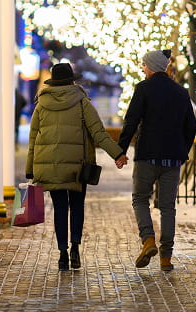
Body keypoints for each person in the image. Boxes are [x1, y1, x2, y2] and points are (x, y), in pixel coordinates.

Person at [25, 63, 128, 271]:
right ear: (72, 80)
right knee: (77, 206)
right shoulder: (82, 102)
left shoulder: (41, 104)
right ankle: (75, 249)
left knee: (60, 208)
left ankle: (62, 253)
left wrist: (30, 169)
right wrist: (118, 153)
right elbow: (98, 133)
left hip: (50, 166)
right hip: (78, 167)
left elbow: (33, 139)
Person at [116, 50, 196, 271]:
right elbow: (191, 126)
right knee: (167, 207)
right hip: (173, 158)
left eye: (144, 65)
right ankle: (166, 258)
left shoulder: (143, 89)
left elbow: (131, 121)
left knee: (140, 199)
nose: (142, 69)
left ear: (151, 66)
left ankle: (148, 239)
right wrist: (182, 150)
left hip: (147, 156)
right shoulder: (181, 92)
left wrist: (120, 151)